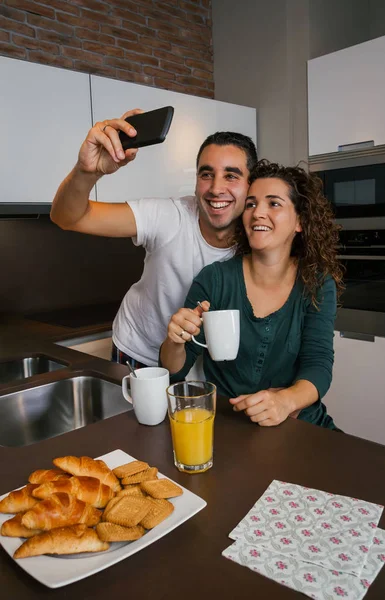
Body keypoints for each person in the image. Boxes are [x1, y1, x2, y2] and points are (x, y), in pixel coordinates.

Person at [50, 109, 257, 368]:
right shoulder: (168, 216)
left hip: (202, 364)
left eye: (231, 176)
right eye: (206, 174)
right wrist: (87, 172)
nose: (216, 188)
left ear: (252, 184)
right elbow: (68, 217)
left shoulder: (259, 238)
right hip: (139, 352)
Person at [160, 160, 344, 429]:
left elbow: (318, 365)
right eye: (251, 204)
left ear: (300, 222)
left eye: (274, 203)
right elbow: (175, 369)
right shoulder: (214, 279)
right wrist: (175, 340)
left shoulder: (316, 284)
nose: (258, 213)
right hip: (229, 427)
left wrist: (285, 402)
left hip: (300, 425)